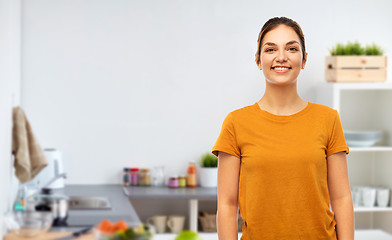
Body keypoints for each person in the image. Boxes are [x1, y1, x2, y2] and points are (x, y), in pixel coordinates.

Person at [212, 17, 354, 240]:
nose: (281, 57)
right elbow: (227, 205)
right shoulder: (235, 123)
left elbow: (342, 198)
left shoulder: (328, 119)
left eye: (291, 48)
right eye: (270, 49)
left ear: (304, 59)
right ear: (258, 60)